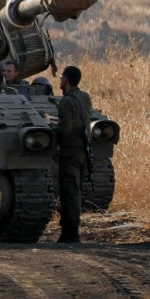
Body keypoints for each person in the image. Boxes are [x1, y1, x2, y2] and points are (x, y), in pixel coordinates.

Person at [53, 65, 93, 245]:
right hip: (83, 150)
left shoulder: (66, 102)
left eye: (62, 77)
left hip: (69, 151)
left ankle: (71, 232)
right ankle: (70, 231)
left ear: (66, 80)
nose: (60, 80)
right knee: (75, 190)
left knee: (69, 191)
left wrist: (53, 133)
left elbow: (65, 129)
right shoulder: (84, 97)